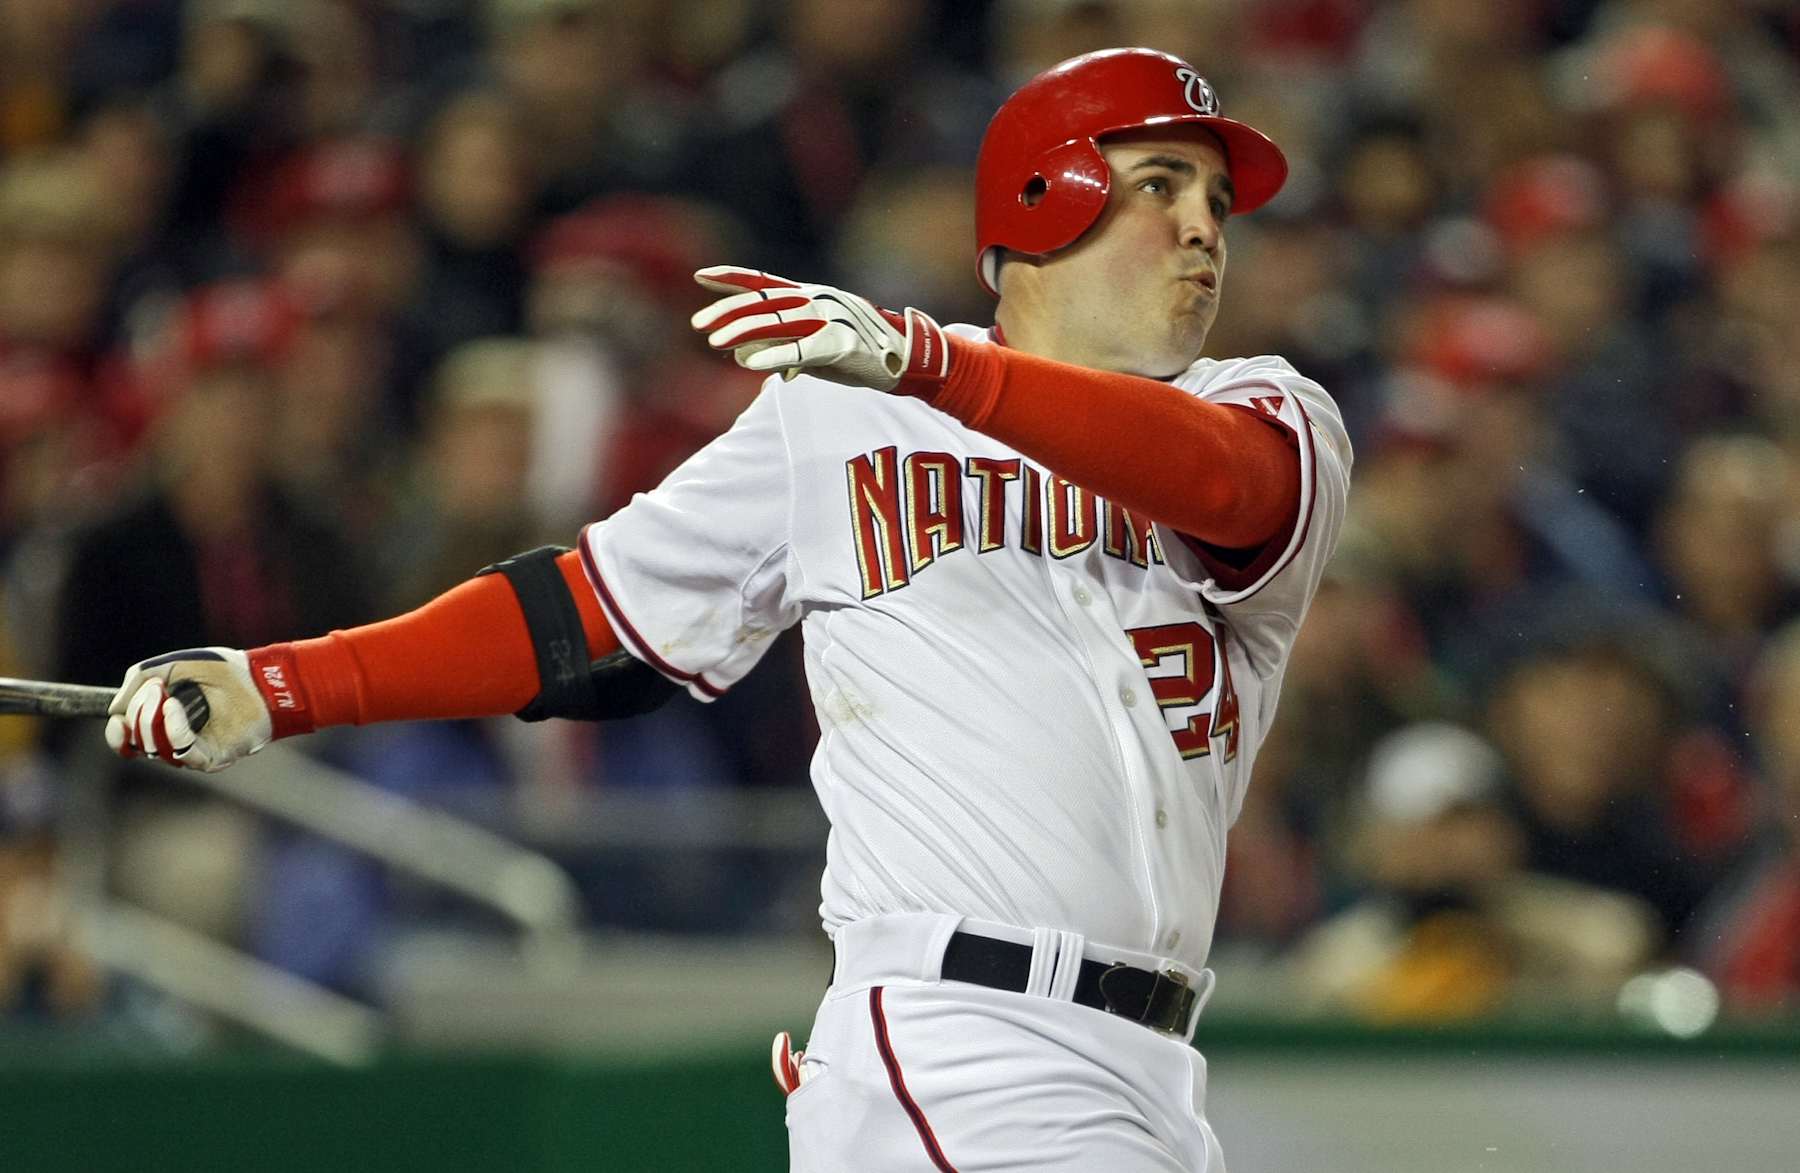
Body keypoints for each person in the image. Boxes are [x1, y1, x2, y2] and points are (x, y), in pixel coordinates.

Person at [104, 48, 1351, 1172]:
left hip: (1155, 1070)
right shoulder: (842, 417)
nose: (1205, 230)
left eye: (1218, 204)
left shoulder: (1267, 406)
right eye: (1161, 183)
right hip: (958, 1038)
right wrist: (285, 684)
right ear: (1045, 197)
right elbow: (588, 614)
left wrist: (936, 363)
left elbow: (1229, 485)